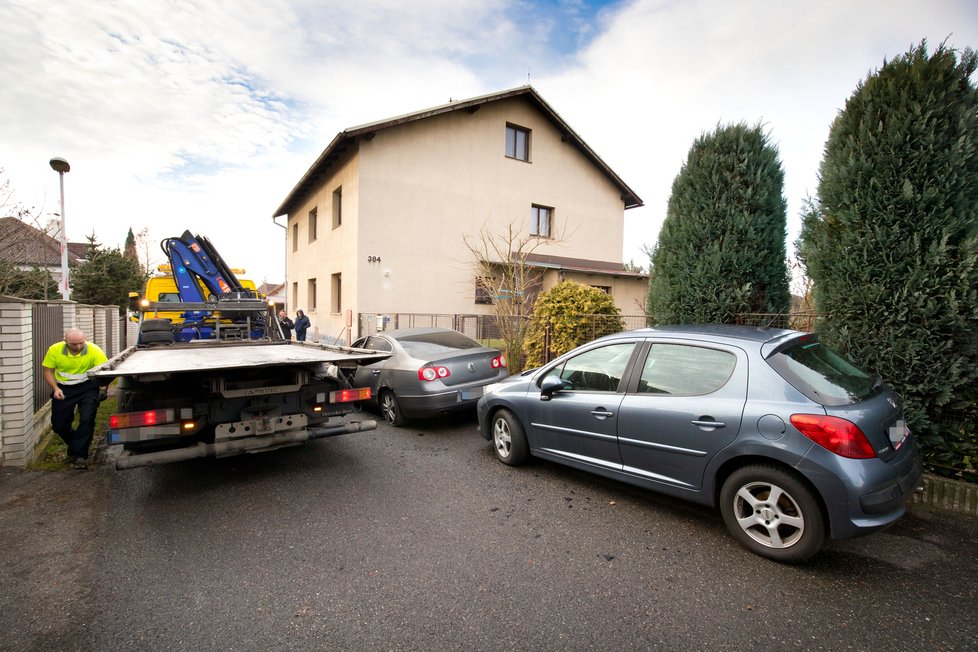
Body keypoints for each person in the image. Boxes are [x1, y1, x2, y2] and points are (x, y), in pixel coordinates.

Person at [41, 328, 108, 469]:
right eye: (73, 344)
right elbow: (48, 371)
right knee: (59, 425)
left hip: (88, 388)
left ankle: (79, 456)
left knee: (86, 420)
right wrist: (55, 389)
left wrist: (103, 389)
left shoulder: (94, 350)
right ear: (65, 342)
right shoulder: (55, 350)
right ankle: (76, 445)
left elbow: (105, 371)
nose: (78, 347)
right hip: (64, 389)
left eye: (81, 343)